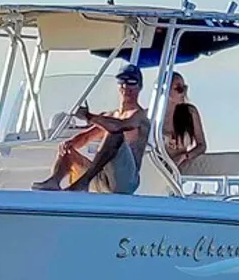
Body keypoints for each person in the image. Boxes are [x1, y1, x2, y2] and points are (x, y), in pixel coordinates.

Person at [31, 63, 150, 194]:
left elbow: (119, 126)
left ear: (140, 87)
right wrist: (68, 145)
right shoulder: (110, 116)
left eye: (132, 82)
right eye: (122, 81)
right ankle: (54, 181)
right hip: (103, 178)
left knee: (115, 134)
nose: (126, 87)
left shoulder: (140, 116)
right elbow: (86, 136)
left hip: (126, 183)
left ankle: (82, 183)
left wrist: (88, 116)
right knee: (68, 147)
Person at [163, 71, 207, 169]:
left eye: (185, 88)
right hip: (157, 168)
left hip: (179, 169)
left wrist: (185, 156)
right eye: (178, 88)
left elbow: (202, 145)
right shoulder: (151, 116)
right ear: (165, 89)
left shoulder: (190, 113)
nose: (183, 92)